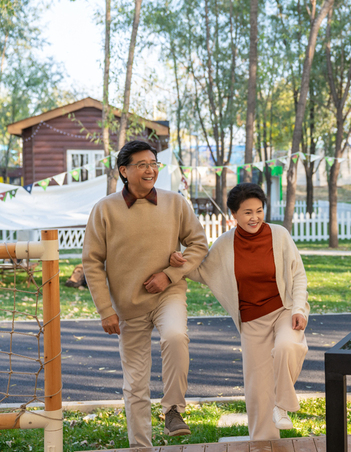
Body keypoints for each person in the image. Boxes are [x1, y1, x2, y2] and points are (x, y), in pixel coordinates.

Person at [82, 141, 208, 448]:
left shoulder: (175, 203)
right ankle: (141, 446)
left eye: (154, 163)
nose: (150, 169)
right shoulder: (105, 209)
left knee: (176, 336)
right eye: (142, 164)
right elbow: (92, 262)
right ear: (124, 171)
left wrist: (169, 274)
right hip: (127, 307)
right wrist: (105, 310)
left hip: (168, 294)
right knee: (135, 384)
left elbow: (198, 245)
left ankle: (173, 409)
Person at [169, 183, 309, 441]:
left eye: (259, 210)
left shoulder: (279, 235)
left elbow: (298, 275)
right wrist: (181, 262)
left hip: (284, 311)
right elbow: (202, 272)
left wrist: (299, 308)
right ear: (233, 214)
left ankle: (282, 405)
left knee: (287, 347)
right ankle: (264, 443)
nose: (254, 217)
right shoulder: (224, 244)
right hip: (251, 321)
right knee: (257, 391)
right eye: (247, 212)